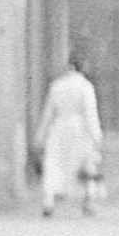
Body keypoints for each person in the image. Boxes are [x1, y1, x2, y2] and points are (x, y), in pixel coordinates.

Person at [36, 52, 104, 218]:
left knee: (53, 163)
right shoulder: (85, 87)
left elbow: (48, 112)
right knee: (87, 164)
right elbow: (90, 113)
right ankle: (89, 201)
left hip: (58, 128)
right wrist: (96, 135)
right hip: (79, 129)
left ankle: (48, 201)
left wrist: (40, 134)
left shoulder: (57, 85)